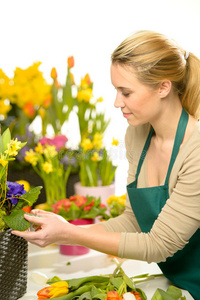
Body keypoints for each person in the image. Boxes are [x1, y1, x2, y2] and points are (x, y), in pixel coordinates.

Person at [12, 30, 200, 299]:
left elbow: (158, 244)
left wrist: (70, 234)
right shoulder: (138, 134)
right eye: (116, 90)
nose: (116, 102)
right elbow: (134, 221)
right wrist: (63, 231)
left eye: (126, 92)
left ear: (163, 87)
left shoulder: (195, 151)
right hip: (177, 283)